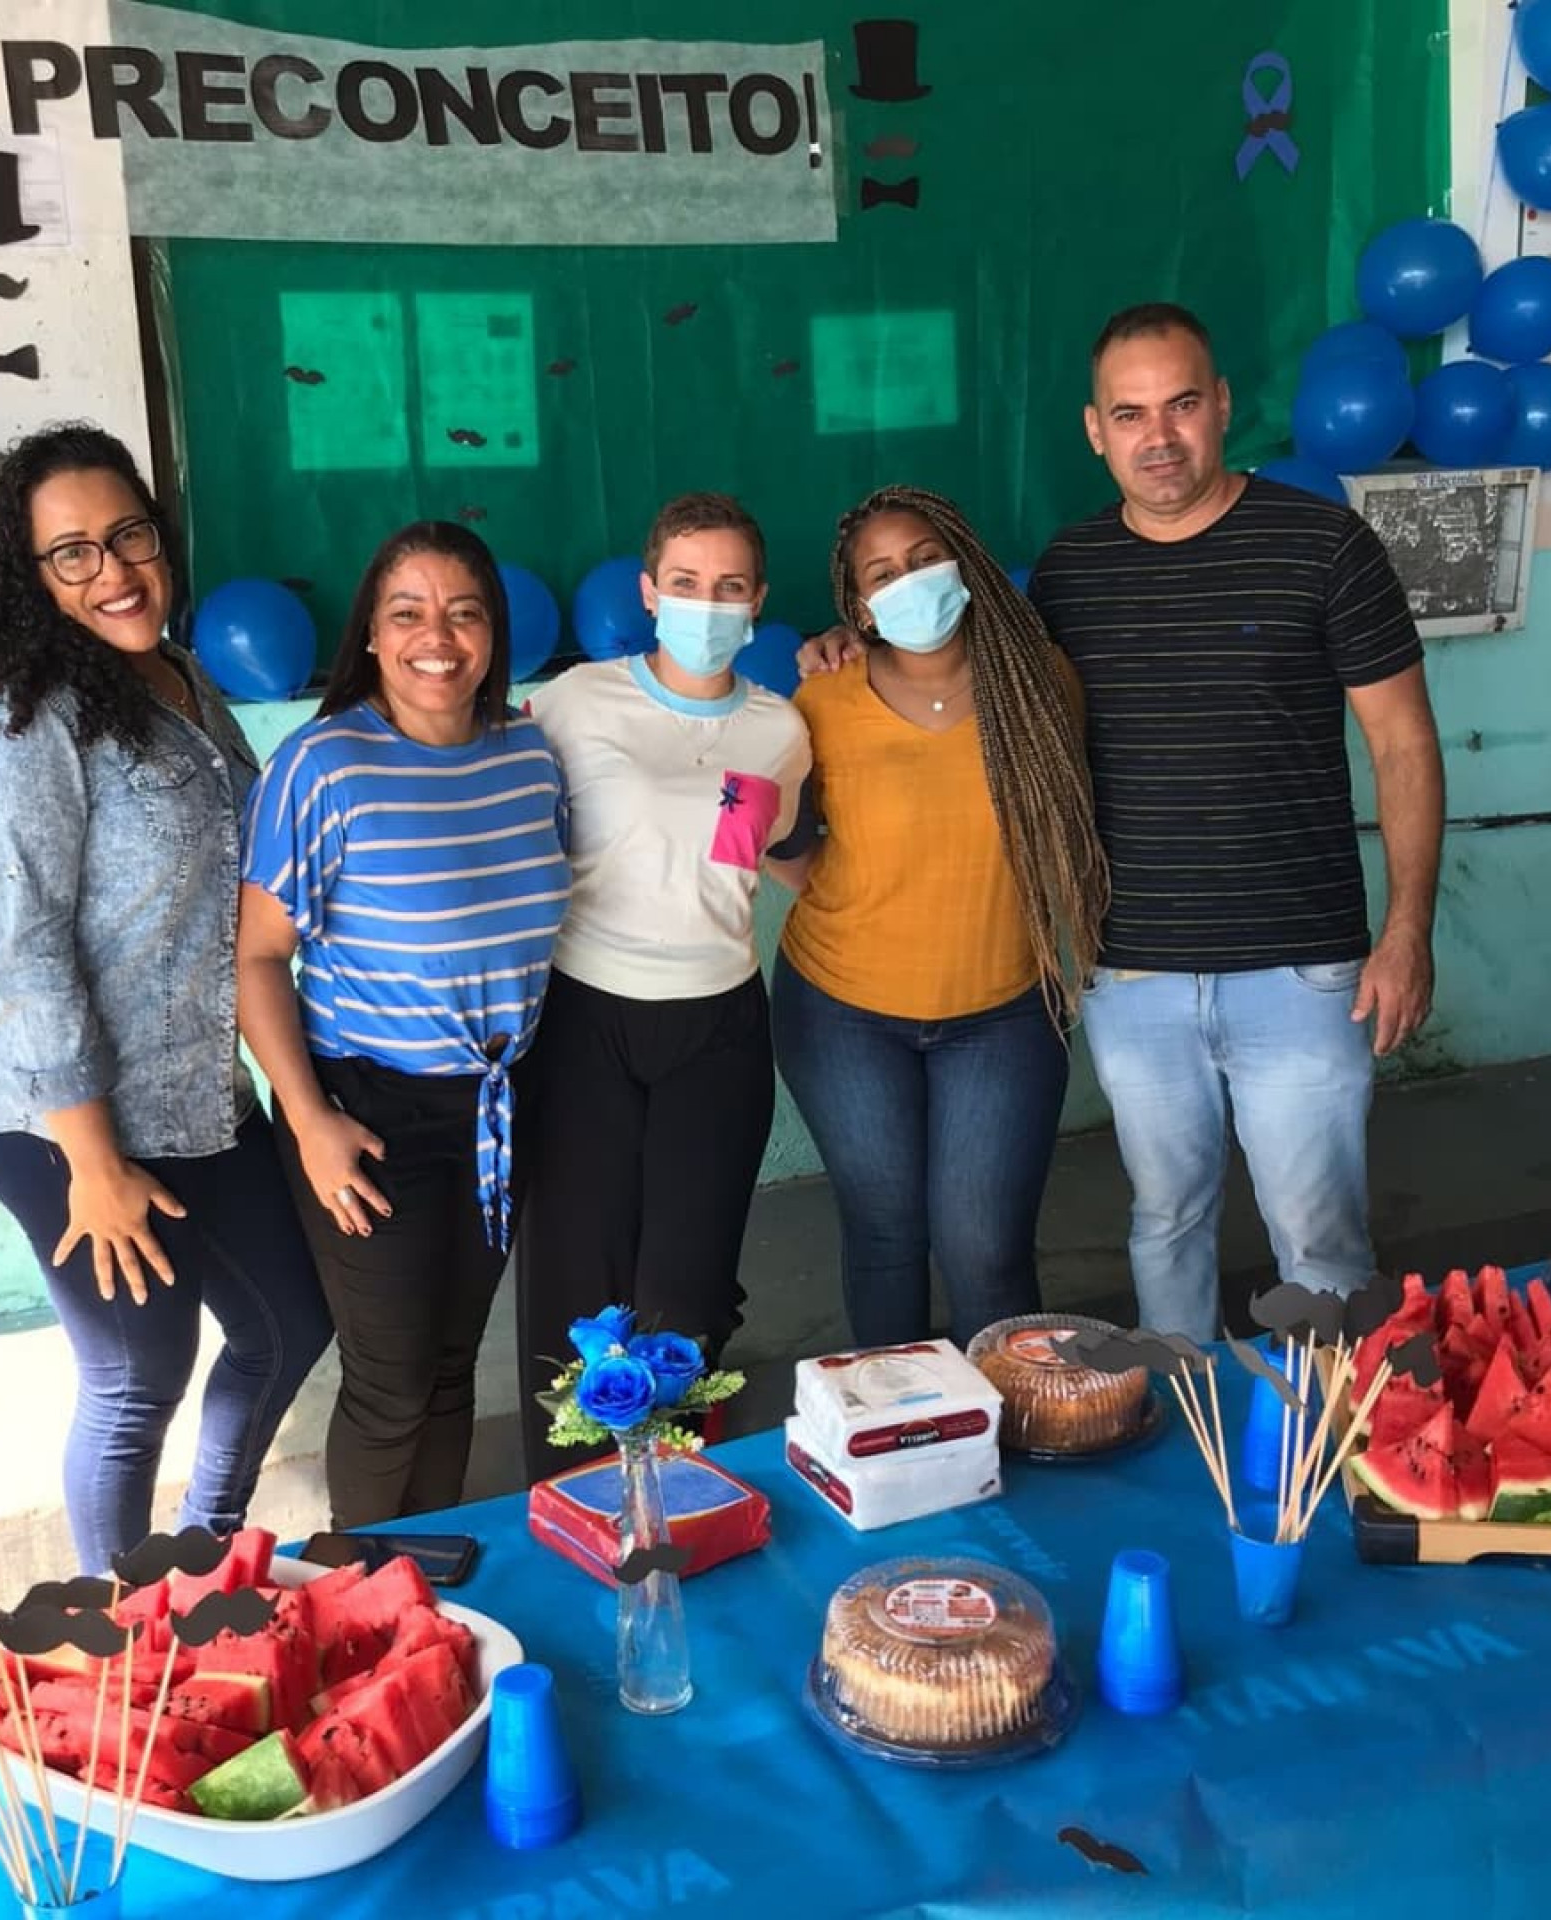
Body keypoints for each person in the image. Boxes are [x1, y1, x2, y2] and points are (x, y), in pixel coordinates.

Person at [0, 422, 331, 1575]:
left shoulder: (183, 678)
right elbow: (27, 944)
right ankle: (120, 1641)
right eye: (73, 554)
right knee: (135, 1376)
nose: (113, 571)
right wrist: (94, 1164)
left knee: (289, 1326)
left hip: (200, 1096)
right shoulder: (22, 712)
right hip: (65, 1120)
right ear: (30, 574)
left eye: (129, 536)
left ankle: (203, 1563)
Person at [1033, 302, 1444, 1341]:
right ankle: (1186, 1447)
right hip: (1135, 975)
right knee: (1165, 1223)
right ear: (1095, 429)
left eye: (1180, 404)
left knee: (1322, 1242)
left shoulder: (1323, 547)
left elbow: (1403, 744)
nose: (1157, 437)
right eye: (1130, 414)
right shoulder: (1068, 574)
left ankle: (1342, 1459)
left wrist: (1406, 934)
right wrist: (836, 651)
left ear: (1221, 406)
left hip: (1301, 972)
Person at [237, 521, 570, 1526]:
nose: (439, 636)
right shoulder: (323, 766)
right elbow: (256, 959)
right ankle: (365, 1613)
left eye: (465, 612)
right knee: (389, 1389)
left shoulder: (529, 756)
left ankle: (432, 1591)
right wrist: (310, 1124)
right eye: (408, 612)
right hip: (367, 1113)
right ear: (373, 638)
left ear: (494, 634)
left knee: (455, 1368)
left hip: (499, 1105)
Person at [772, 485, 1109, 1351]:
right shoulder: (822, 702)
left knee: (987, 1247)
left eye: (924, 559)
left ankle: (1009, 1446)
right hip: (843, 1011)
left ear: (964, 559)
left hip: (1002, 1013)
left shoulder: (1041, 687)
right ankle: (896, 1446)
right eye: (880, 574)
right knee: (885, 1235)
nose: (908, 583)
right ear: (858, 607)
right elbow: (794, 862)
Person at [516, 493, 812, 1479]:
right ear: (650, 593)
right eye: (685, 583)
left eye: (729, 586)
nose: (707, 603)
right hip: (584, 1023)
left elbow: (768, 857)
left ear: (759, 601)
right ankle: (567, 1504)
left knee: (686, 1292)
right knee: (576, 1288)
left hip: (719, 1032)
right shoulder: (570, 703)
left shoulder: (781, 731)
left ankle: (676, 1503)